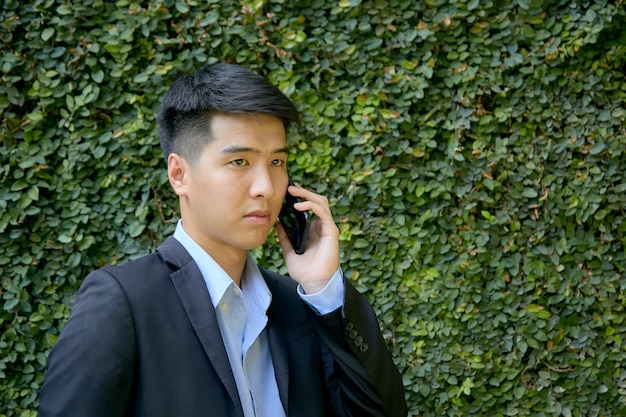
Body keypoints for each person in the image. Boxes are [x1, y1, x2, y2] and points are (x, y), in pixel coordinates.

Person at [38, 62, 407, 417]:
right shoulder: (125, 303)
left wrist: (323, 288)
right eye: (240, 162)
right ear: (179, 174)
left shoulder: (297, 307)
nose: (266, 187)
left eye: (277, 163)